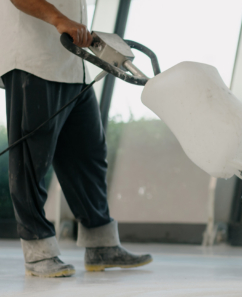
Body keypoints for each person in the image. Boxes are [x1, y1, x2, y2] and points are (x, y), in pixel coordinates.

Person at [0, 0, 153, 277]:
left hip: (74, 64)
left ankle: (101, 245)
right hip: (32, 61)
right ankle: (38, 253)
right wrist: (60, 20)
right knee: (31, 161)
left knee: (89, 155)